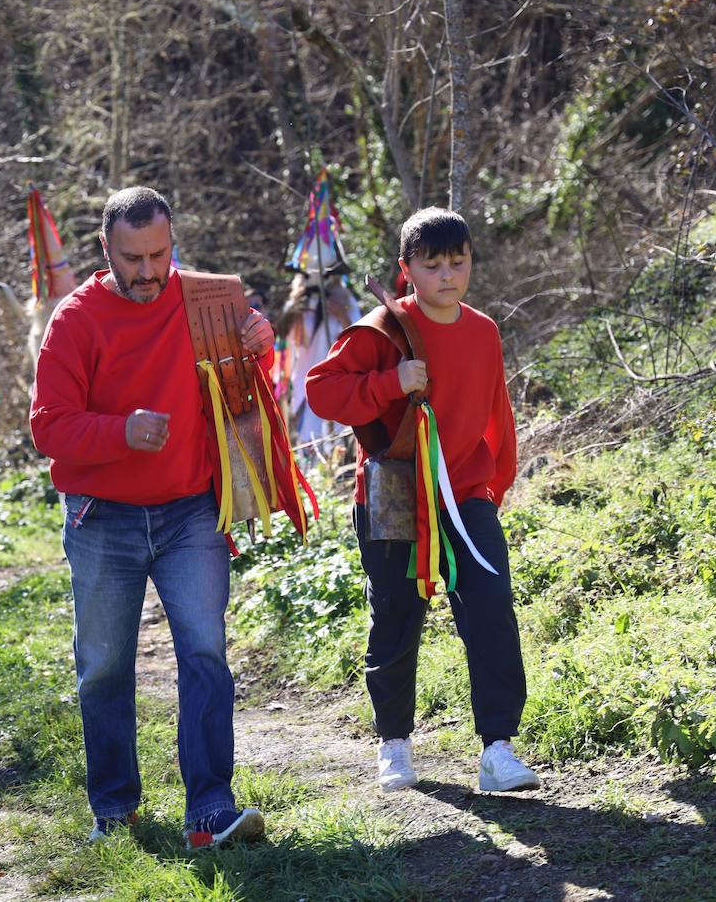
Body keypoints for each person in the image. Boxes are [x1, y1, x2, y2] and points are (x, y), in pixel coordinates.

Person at [30, 187, 274, 850]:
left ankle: (210, 813)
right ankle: (114, 811)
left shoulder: (207, 298)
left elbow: (246, 389)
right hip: (102, 517)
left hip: (191, 510)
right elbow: (47, 427)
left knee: (204, 652)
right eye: (131, 257)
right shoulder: (76, 319)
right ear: (105, 249)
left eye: (158, 254)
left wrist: (261, 344)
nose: (146, 270)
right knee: (104, 666)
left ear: (174, 243)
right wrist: (119, 432)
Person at [304, 207, 540, 794]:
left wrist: (495, 487)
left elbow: (497, 417)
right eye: (431, 265)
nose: (446, 275)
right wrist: (391, 382)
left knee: (491, 611)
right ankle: (394, 744)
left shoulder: (484, 330)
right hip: (393, 497)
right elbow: (322, 392)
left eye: (457, 262)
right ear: (406, 269)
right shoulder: (385, 327)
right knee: (396, 616)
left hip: (465, 495)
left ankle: (498, 749)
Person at [281, 269, 362, 451]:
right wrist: (297, 312)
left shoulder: (345, 300)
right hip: (304, 381)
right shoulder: (297, 303)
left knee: (335, 444)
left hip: (336, 381)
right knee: (308, 443)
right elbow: (286, 341)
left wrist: (342, 316)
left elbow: (359, 338)